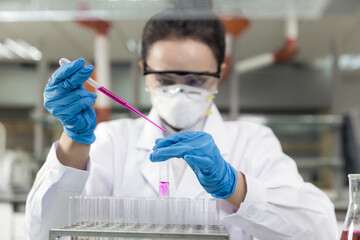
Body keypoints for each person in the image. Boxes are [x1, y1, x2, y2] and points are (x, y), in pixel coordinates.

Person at [24, 9, 337, 240]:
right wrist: (74, 142)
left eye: (196, 80)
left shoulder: (253, 142)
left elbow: (319, 230)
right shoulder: (112, 140)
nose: (180, 91)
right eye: (164, 79)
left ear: (221, 71)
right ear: (144, 70)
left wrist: (235, 186)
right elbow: (41, 232)